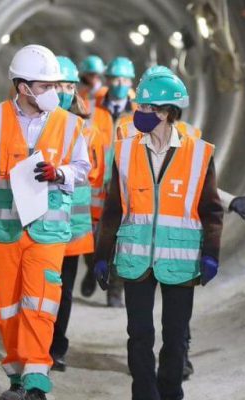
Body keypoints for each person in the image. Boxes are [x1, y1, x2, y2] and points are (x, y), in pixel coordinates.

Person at [0, 44, 91, 400]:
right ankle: (16, 376)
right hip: (1, 228)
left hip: (47, 228)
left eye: (55, 85)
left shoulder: (70, 125)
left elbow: (83, 170)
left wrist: (58, 172)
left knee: (41, 301)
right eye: (45, 85)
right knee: (6, 303)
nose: (53, 92)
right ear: (23, 87)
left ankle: (36, 379)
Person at [93, 71, 224, 400]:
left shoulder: (199, 153)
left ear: (167, 112)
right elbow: (113, 210)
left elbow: (211, 210)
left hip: (180, 260)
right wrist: (101, 255)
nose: (140, 113)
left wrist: (210, 254)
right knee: (139, 334)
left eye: (148, 108)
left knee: (176, 335)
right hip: (135, 259)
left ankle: (170, 392)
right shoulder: (124, 152)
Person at [49, 56, 106, 372]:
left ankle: (56, 346)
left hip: (71, 224)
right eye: (57, 84)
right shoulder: (31, 123)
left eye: (68, 85)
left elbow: (94, 174)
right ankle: (34, 344)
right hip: (36, 221)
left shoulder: (88, 129)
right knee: (38, 287)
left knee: (63, 290)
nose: (63, 91)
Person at [79, 56, 138, 307]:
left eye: (124, 79)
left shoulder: (139, 112)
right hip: (94, 186)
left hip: (124, 188)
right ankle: (93, 270)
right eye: (115, 79)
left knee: (121, 241)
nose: (119, 83)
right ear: (108, 80)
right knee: (91, 241)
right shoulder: (92, 107)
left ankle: (115, 289)